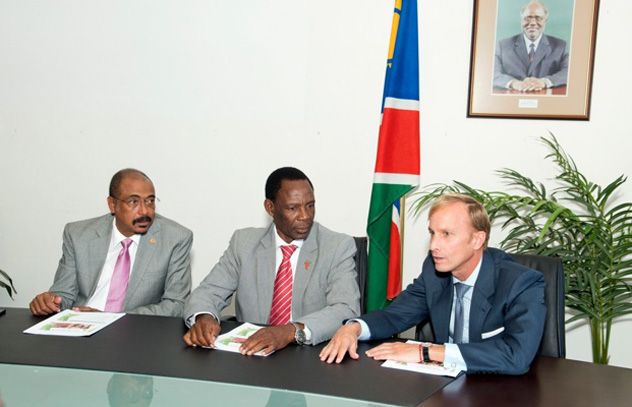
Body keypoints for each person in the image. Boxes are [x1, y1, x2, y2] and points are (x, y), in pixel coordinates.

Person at [320, 194, 546, 375]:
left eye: (446, 234)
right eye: (432, 233)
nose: (434, 246)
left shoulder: (520, 283)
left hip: (499, 392)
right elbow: (395, 315)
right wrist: (354, 327)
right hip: (441, 389)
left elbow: (516, 356)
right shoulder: (435, 271)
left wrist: (426, 351)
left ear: (477, 239)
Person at [183, 167, 360, 355]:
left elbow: (345, 309)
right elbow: (208, 292)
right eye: (293, 208)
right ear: (270, 208)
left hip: (310, 355)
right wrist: (204, 317)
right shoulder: (244, 243)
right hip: (253, 356)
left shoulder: (337, 246)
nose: (305, 216)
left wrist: (290, 331)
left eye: (310, 205)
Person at [29, 168, 193, 317]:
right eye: (133, 202)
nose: (145, 211)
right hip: (81, 326)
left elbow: (176, 305)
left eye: (150, 201)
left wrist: (111, 318)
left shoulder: (175, 239)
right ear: (112, 205)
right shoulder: (78, 235)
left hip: (134, 331)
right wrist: (50, 302)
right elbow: (63, 294)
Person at [493, 1, 569, 91]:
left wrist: (544, 82)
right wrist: (514, 83)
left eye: (538, 18)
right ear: (521, 20)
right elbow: (492, 73)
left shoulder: (561, 46)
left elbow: (568, 72)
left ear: (545, 21)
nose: (532, 22)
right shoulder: (503, 46)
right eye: (528, 18)